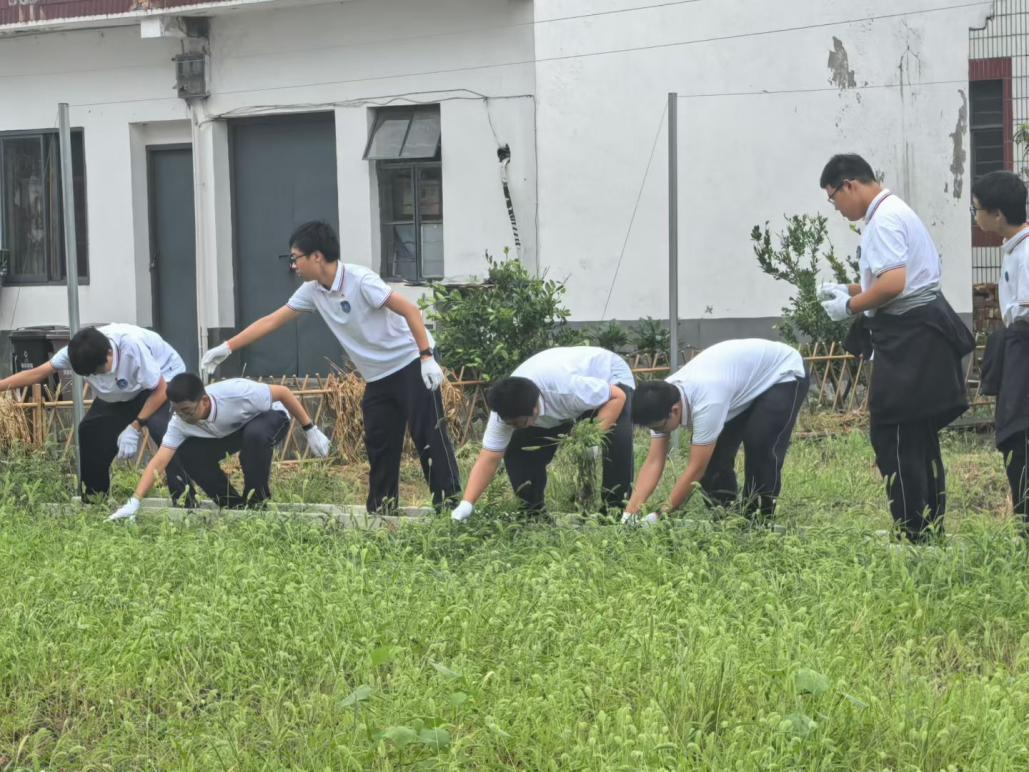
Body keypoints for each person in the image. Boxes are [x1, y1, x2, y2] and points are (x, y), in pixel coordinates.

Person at [200, 220, 459, 515]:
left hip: (411, 361)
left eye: (295, 258)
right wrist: (227, 347)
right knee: (379, 441)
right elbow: (272, 321)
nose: (293, 266)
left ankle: (450, 508)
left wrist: (426, 356)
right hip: (378, 376)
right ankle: (382, 512)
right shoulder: (313, 291)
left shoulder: (361, 280)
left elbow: (411, 310)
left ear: (317, 256)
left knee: (428, 435)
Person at [818, 153, 974, 542]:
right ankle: (930, 529)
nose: (836, 208)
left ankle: (913, 532)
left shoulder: (884, 220)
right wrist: (849, 289)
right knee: (919, 437)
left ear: (850, 185)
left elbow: (894, 284)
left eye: (834, 198)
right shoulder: (893, 211)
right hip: (920, 332)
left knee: (895, 435)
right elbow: (893, 278)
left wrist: (850, 306)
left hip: (911, 339)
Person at [0, 323, 191, 503]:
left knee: (165, 432)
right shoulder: (76, 352)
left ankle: (185, 501)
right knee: (89, 431)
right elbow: (37, 373)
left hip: (163, 383)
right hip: (121, 392)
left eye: (99, 371)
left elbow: (161, 389)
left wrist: (135, 426)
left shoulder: (131, 347)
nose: (97, 376)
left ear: (110, 353)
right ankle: (95, 499)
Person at [625, 339, 808, 525]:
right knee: (714, 461)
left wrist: (660, 514)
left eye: (658, 428)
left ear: (675, 410)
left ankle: (758, 522)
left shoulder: (707, 403)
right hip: (739, 382)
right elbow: (654, 461)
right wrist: (630, 513)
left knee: (760, 444)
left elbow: (696, 468)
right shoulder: (658, 401)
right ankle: (727, 520)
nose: (657, 432)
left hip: (781, 373)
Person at [108, 373, 331, 520]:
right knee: (188, 453)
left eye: (187, 410)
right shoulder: (179, 422)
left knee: (254, 437)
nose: (182, 416)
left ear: (204, 401)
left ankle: (256, 506)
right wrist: (134, 501)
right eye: (177, 411)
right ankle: (233, 506)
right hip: (230, 431)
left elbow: (283, 392)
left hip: (268, 417)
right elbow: (159, 461)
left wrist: (309, 428)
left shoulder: (238, 392)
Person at [450, 346, 635, 521]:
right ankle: (534, 513)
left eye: (518, 422)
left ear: (534, 409)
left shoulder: (567, 390)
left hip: (611, 378)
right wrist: (467, 503)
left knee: (616, 440)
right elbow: (489, 457)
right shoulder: (504, 409)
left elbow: (617, 396)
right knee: (518, 448)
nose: (514, 426)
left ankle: (615, 511)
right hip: (565, 397)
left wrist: (593, 437)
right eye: (510, 423)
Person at [971, 170, 1029, 533]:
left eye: (977, 209)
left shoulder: (1026, 254)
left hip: (1023, 348)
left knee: (1017, 437)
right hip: (1015, 345)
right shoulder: (1013, 249)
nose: (975, 216)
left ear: (997, 215)